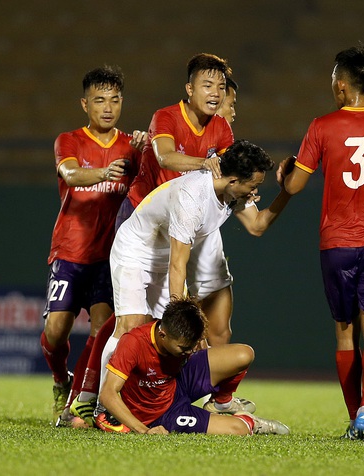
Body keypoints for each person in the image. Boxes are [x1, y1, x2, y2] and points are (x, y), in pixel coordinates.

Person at [67, 53, 237, 421]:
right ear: (189, 89)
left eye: (220, 87)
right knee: (127, 324)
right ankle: (94, 400)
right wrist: (205, 165)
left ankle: (137, 400)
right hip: (142, 221)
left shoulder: (221, 129)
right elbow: (165, 157)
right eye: (207, 85)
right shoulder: (166, 116)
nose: (215, 93)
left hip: (176, 229)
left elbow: (228, 175)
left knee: (156, 328)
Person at [96, 139, 293, 423]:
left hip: (165, 258)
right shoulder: (192, 197)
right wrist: (184, 317)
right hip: (135, 252)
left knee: (172, 339)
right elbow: (179, 264)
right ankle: (104, 408)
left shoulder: (232, 192)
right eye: (253, 185)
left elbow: (257, 225)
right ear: (234, 179)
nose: (255, 192)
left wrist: (287, 191)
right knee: (131, 325)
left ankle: (161, 400)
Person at [283, 44, 364, 441]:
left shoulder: (322, 126)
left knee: (343, 333)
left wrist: (285, 173)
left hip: (336, 243)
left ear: (340, 87)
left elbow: (296, 184)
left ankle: (353, 415)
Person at [39, 65, 147, 426]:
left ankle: (86, 404)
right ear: (85, 104)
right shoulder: (69, 140)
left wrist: (144, 153)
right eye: (100, 100)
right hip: (69, 252)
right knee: (56, 331)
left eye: (115, 100)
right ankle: (60, 380)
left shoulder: (129, 147)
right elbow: (69, 173)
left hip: (109, 257)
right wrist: (103, 173)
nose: (108, 107)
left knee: (102, 329)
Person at [98, 296, 290, 435]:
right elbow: (107, 394)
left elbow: (189, 346)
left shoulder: (183, 341)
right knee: (239, 429)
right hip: (161, 414)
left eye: (192, 346)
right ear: (162, 334)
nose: (189, 352)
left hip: (178, 383)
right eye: (184, 348)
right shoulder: (134, 342)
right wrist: (144, 430)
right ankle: (253, 422)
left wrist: (195, 345)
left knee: (244, 354)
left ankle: (221, 403)